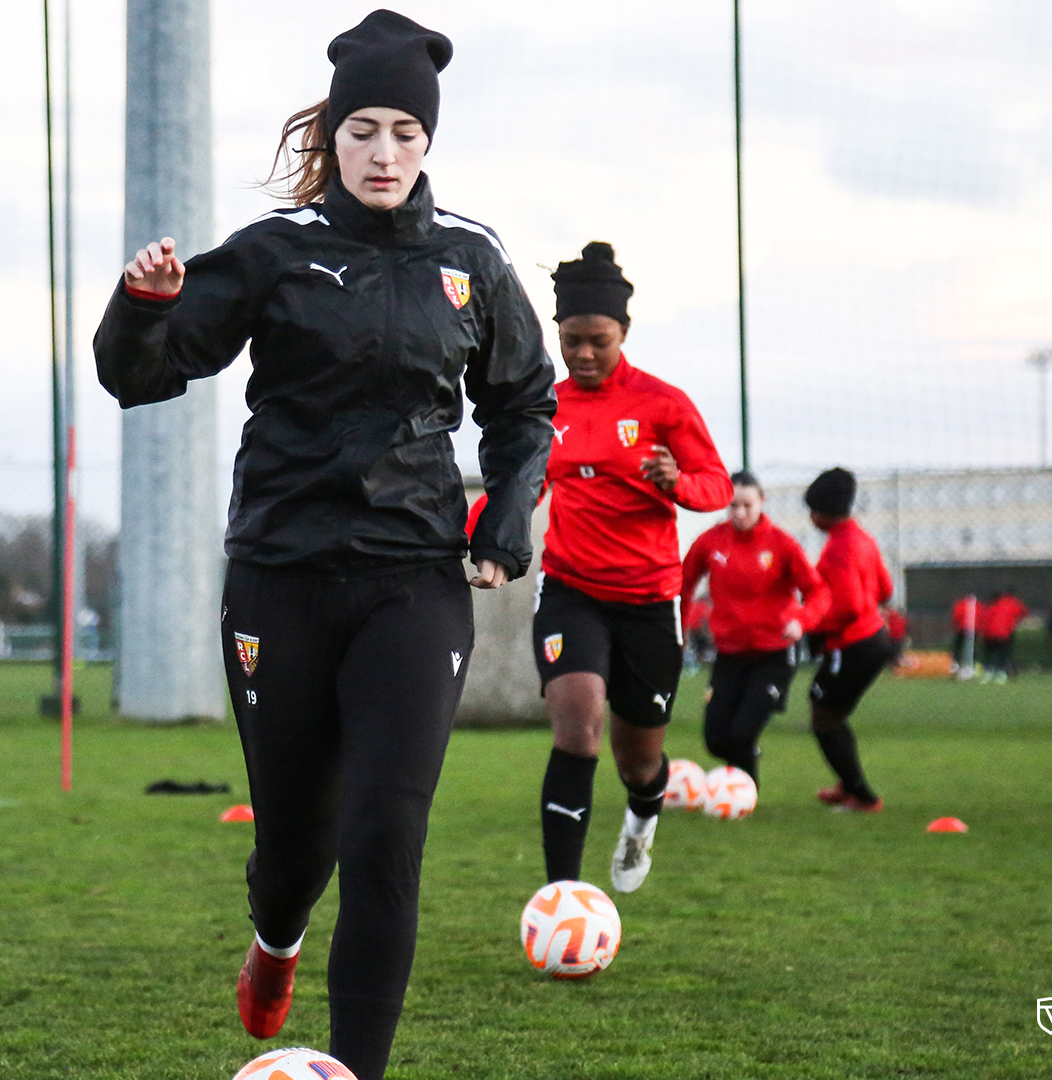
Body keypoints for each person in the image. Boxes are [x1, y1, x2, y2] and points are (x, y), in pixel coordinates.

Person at [92, 12, 556, 1075]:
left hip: (413, 583)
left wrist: (511, 507)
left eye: (404, 132)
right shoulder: (274, 255)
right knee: (295, 849)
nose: (384, 152)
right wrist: (142, 307)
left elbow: (525, 402)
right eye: (364, 132)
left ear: (427, 141)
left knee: (386, 838)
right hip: (280, 580)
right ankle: (275, 941)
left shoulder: (470, 264)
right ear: (331, 138)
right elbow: (140, 374)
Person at [527, 241, 732, 895]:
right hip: (569, 589)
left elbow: (716, 485)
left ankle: (643, 817)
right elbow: (521, 488)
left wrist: (678, 481)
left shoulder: (664, 405)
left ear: (624, 333)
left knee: (637, 762)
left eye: (599, 341)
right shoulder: (545, 406)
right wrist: (479, 538)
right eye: (571, 341)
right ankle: (563, 893)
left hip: (647, 599)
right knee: (577, 716)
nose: (584, 354)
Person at [680, 472, 829, 788]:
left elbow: (819, 592)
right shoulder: (711, 542)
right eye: (733, 506)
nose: (740, 513)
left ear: (762, 502)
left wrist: (801, 620)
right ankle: (744, 767)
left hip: (773, 654)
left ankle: (744, 796)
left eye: (747, 505)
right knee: (716, 739)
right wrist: (679, 630)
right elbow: (683, 584)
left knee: (742, 733)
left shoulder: (782, 545)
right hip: (730, 656)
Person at [804, 468, 896, 813]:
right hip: (874, 638)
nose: (810, 517)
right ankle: (848, 783)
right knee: (832, 713)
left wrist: (811, 623)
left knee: (824, 716)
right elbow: (885, 589)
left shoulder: (838, 549)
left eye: (812, 510)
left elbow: (847, 606)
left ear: (823, 511)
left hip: (852, 645)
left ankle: (863, 796)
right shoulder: (863, 539)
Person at [980, 587, 1028, 682]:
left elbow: (983, 620)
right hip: (1004, 634)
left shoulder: (988, 607)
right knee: (1003, 655)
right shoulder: (1010, 604)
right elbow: (1023, 612)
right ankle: (1000, 674)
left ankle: (988, 673)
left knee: (989, 654)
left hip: (989, 634)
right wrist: (1015, 622)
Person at [950, 593, 978, 676]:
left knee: (959, 648)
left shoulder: (960, 605)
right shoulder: (976, 606)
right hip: (970, 630)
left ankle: (957, 664)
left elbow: (956, 616)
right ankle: (966, 665)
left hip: (962, 629)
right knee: (969, 649)